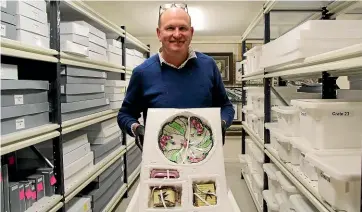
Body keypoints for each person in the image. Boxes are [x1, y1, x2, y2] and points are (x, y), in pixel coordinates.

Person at [117, 3, 235, 150]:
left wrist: (222, 123)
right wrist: (136, 128)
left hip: (203, 154)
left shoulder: (208, 65)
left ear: (191, 32)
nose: (177, 34)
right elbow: (125, 114)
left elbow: (226, 106)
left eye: (183, 28)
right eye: (170, 28)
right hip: (160, 158)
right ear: (159, 33)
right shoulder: (142, 73)